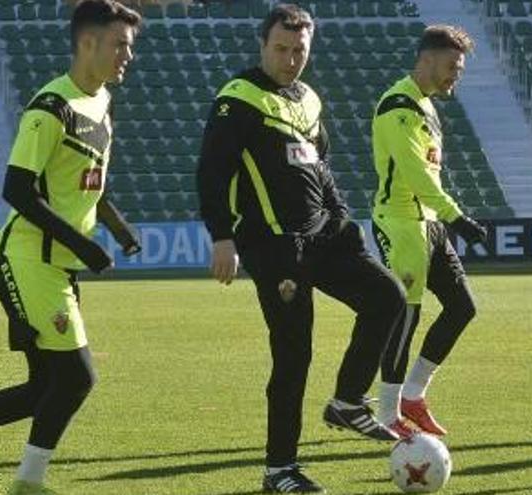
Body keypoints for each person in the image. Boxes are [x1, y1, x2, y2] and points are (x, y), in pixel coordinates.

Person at [196, 4, 406, 493]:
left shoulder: (308, 99)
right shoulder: (239, 99)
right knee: (294, 355)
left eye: (299, 51)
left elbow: (320, 163)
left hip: (325, 236)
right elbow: (212, 172)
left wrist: (340, 214)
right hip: (273, 245)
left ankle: (348, 401)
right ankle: (279, 470)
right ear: (263, 46)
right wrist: (221, 236)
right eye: (281, 49)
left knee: (388, 298)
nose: (291, 59)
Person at [0, 2, 141, 494]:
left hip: (59, 261)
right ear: (88, 43)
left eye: (130, 46)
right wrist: (85, 243)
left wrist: (118, 227)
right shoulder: (50, 108)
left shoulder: (101, 102)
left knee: (46, 387)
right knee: (77, 378)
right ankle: (28, 484)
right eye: (120, 44)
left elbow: (89, 183)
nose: (128, 55)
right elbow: (16, 190)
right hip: (29, 258)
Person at [370, 25, 487, 438]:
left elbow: (428, 173)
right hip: (401, 224)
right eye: (453, 65)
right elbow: (415, 172)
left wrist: (443, 219)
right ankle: (386, 414)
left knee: (462, 307)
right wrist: (456, 216)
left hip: (429, 224)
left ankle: (413, 395)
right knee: (405, 316)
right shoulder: (398, 106)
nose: (457, 74)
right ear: (427, 60)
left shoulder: (426, 105)